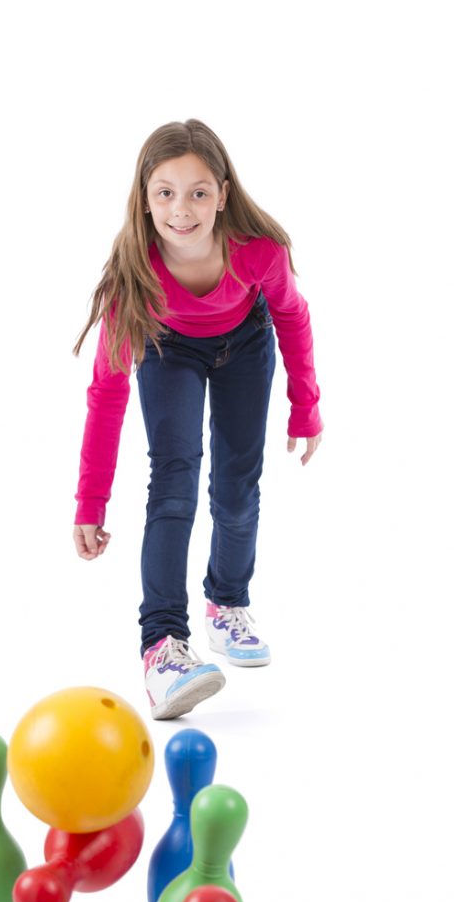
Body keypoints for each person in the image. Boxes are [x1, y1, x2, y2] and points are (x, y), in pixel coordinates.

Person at [72, 119, 323, 721]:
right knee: (174, 482)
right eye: (165, 193)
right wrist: (90, 501)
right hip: (168, 349)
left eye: (198, 192)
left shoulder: (259, 252)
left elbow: (292, 316)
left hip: (246, 343)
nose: (181, 210)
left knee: (236, 488)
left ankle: (227, 602)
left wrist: (306, 404)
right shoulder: (133, 277)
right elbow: (106, 393)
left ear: (223, 194)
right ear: (144, 198)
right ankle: (162, 646)